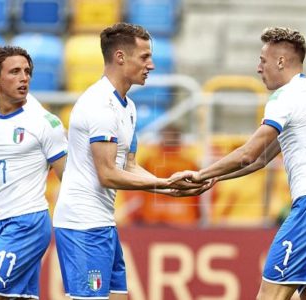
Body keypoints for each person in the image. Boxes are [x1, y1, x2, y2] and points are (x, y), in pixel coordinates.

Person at [188, 27, 306, 299]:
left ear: (280, 62)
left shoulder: (285, 96)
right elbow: (263, 159)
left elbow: (248, 154)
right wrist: (216, 177)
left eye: (263, 61)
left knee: (270, 295)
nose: (258, 68)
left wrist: (200, 174)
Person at [53, 22, 209, 300]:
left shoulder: (128, 106)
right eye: (145, 57)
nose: (151, 65)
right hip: (82, 225)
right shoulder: (99, 105)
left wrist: (171, 186)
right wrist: (162, 184)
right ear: (120, 57)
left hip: (103, 223)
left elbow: (130, 165)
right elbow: (108, 174)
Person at [0, 46, 68, 299]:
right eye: (15, 71)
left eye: (27, 71)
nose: (24, 77)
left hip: (27, 224)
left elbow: (70, 180)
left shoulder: (43, 122)